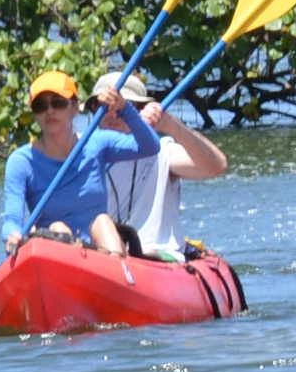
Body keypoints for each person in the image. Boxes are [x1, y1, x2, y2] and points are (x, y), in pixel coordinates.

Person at [2, 69, 161, 257]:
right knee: (58, 227)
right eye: (40, 105)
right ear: (35, 113)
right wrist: (12, 236)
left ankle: (116, 270)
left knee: (102, 221)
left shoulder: (97, 143)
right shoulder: (21, 161)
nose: (50, 111)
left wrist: (124, 108)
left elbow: (150, 146)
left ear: (75, 108)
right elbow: (12, 219)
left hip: (100, 249)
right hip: (55, 251)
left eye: (58, 103)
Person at [97, 69, 228, 262]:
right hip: (103, 253)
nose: (112, 114)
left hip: (156, 255)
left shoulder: (162, 152)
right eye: (103, 105)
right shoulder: (79, 150)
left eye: (122, 106)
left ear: (139, 109)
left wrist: (171, 125)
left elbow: (216, 166)